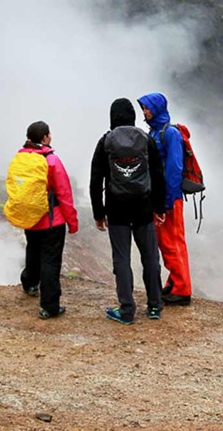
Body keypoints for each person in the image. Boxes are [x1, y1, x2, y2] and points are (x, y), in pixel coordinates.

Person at [90, 98, 166, 324]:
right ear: (132, 116)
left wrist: (98, 212)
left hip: (116, 210)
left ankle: (126, 310)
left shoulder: (106, 141)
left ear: (112, 116)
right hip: (143, 208)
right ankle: (154, 306)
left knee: (121, 260)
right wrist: (159, 206)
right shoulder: (145, 140)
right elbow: (158, 175)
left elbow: (96, 180)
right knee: (150, 257)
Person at [17, 120, 79, 319]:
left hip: (30, 216)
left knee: (33, 251)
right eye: (49, 134)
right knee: (50, 261)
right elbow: (64, 193)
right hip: (52, 221)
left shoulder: (21, 158)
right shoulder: (51, 160)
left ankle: (29, 283)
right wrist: (73, 221)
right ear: (44, 137)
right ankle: (49, 306)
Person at [137, 92, 192, 306]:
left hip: (170, 199)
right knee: (166, 242)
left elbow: (174, 169)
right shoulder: (154, 132)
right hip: (159, 197)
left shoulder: (170, 134)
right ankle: (175, 282)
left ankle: (182, 290)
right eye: (143, 108)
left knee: (173, 242)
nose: (145, 111)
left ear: (158, 108)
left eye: (148, 108)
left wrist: (167, 202)